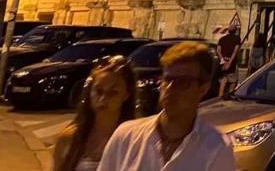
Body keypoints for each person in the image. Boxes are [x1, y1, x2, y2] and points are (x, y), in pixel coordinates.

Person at [96, 41, 235, 171]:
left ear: (203, 89)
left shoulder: (217, 147)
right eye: (167, 79)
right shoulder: (126, 136)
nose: (170, 87)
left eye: (182, 82)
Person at [52, 55, 138, 171]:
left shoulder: (136, 140)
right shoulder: (70, 138)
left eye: (113, 92)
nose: (103, 99)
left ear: (126, 94)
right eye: (98, 91)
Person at [215, 24, 240, 97]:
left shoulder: (222, 39)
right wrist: (229, 62)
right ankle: (229, 99)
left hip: (223, 63)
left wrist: (222, 60)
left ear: (228, 31)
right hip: (232, 64)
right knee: (232, 82)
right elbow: (235, 51)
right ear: (235, 31)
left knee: (223, 81)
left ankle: (219, 98)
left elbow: (218, 50)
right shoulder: (237, 38)